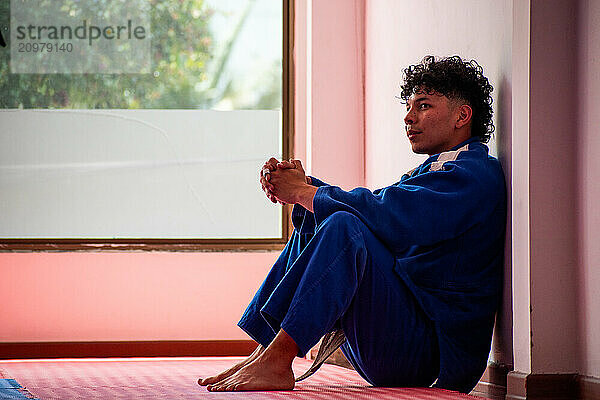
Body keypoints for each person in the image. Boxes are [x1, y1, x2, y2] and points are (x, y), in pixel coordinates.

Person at [198, 55, 506, 394]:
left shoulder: (475, 174)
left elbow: (386, 216)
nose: (408, 116)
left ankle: (278, 359)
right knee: (323, 218)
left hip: (432, 357)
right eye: (408, 106)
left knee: (344, 225)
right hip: (404, 340)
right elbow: (379, 212)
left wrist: (305, 191)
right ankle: (264, 352)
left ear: (462, 115)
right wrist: (304, 189)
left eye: (423, 105)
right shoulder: (434, 171)